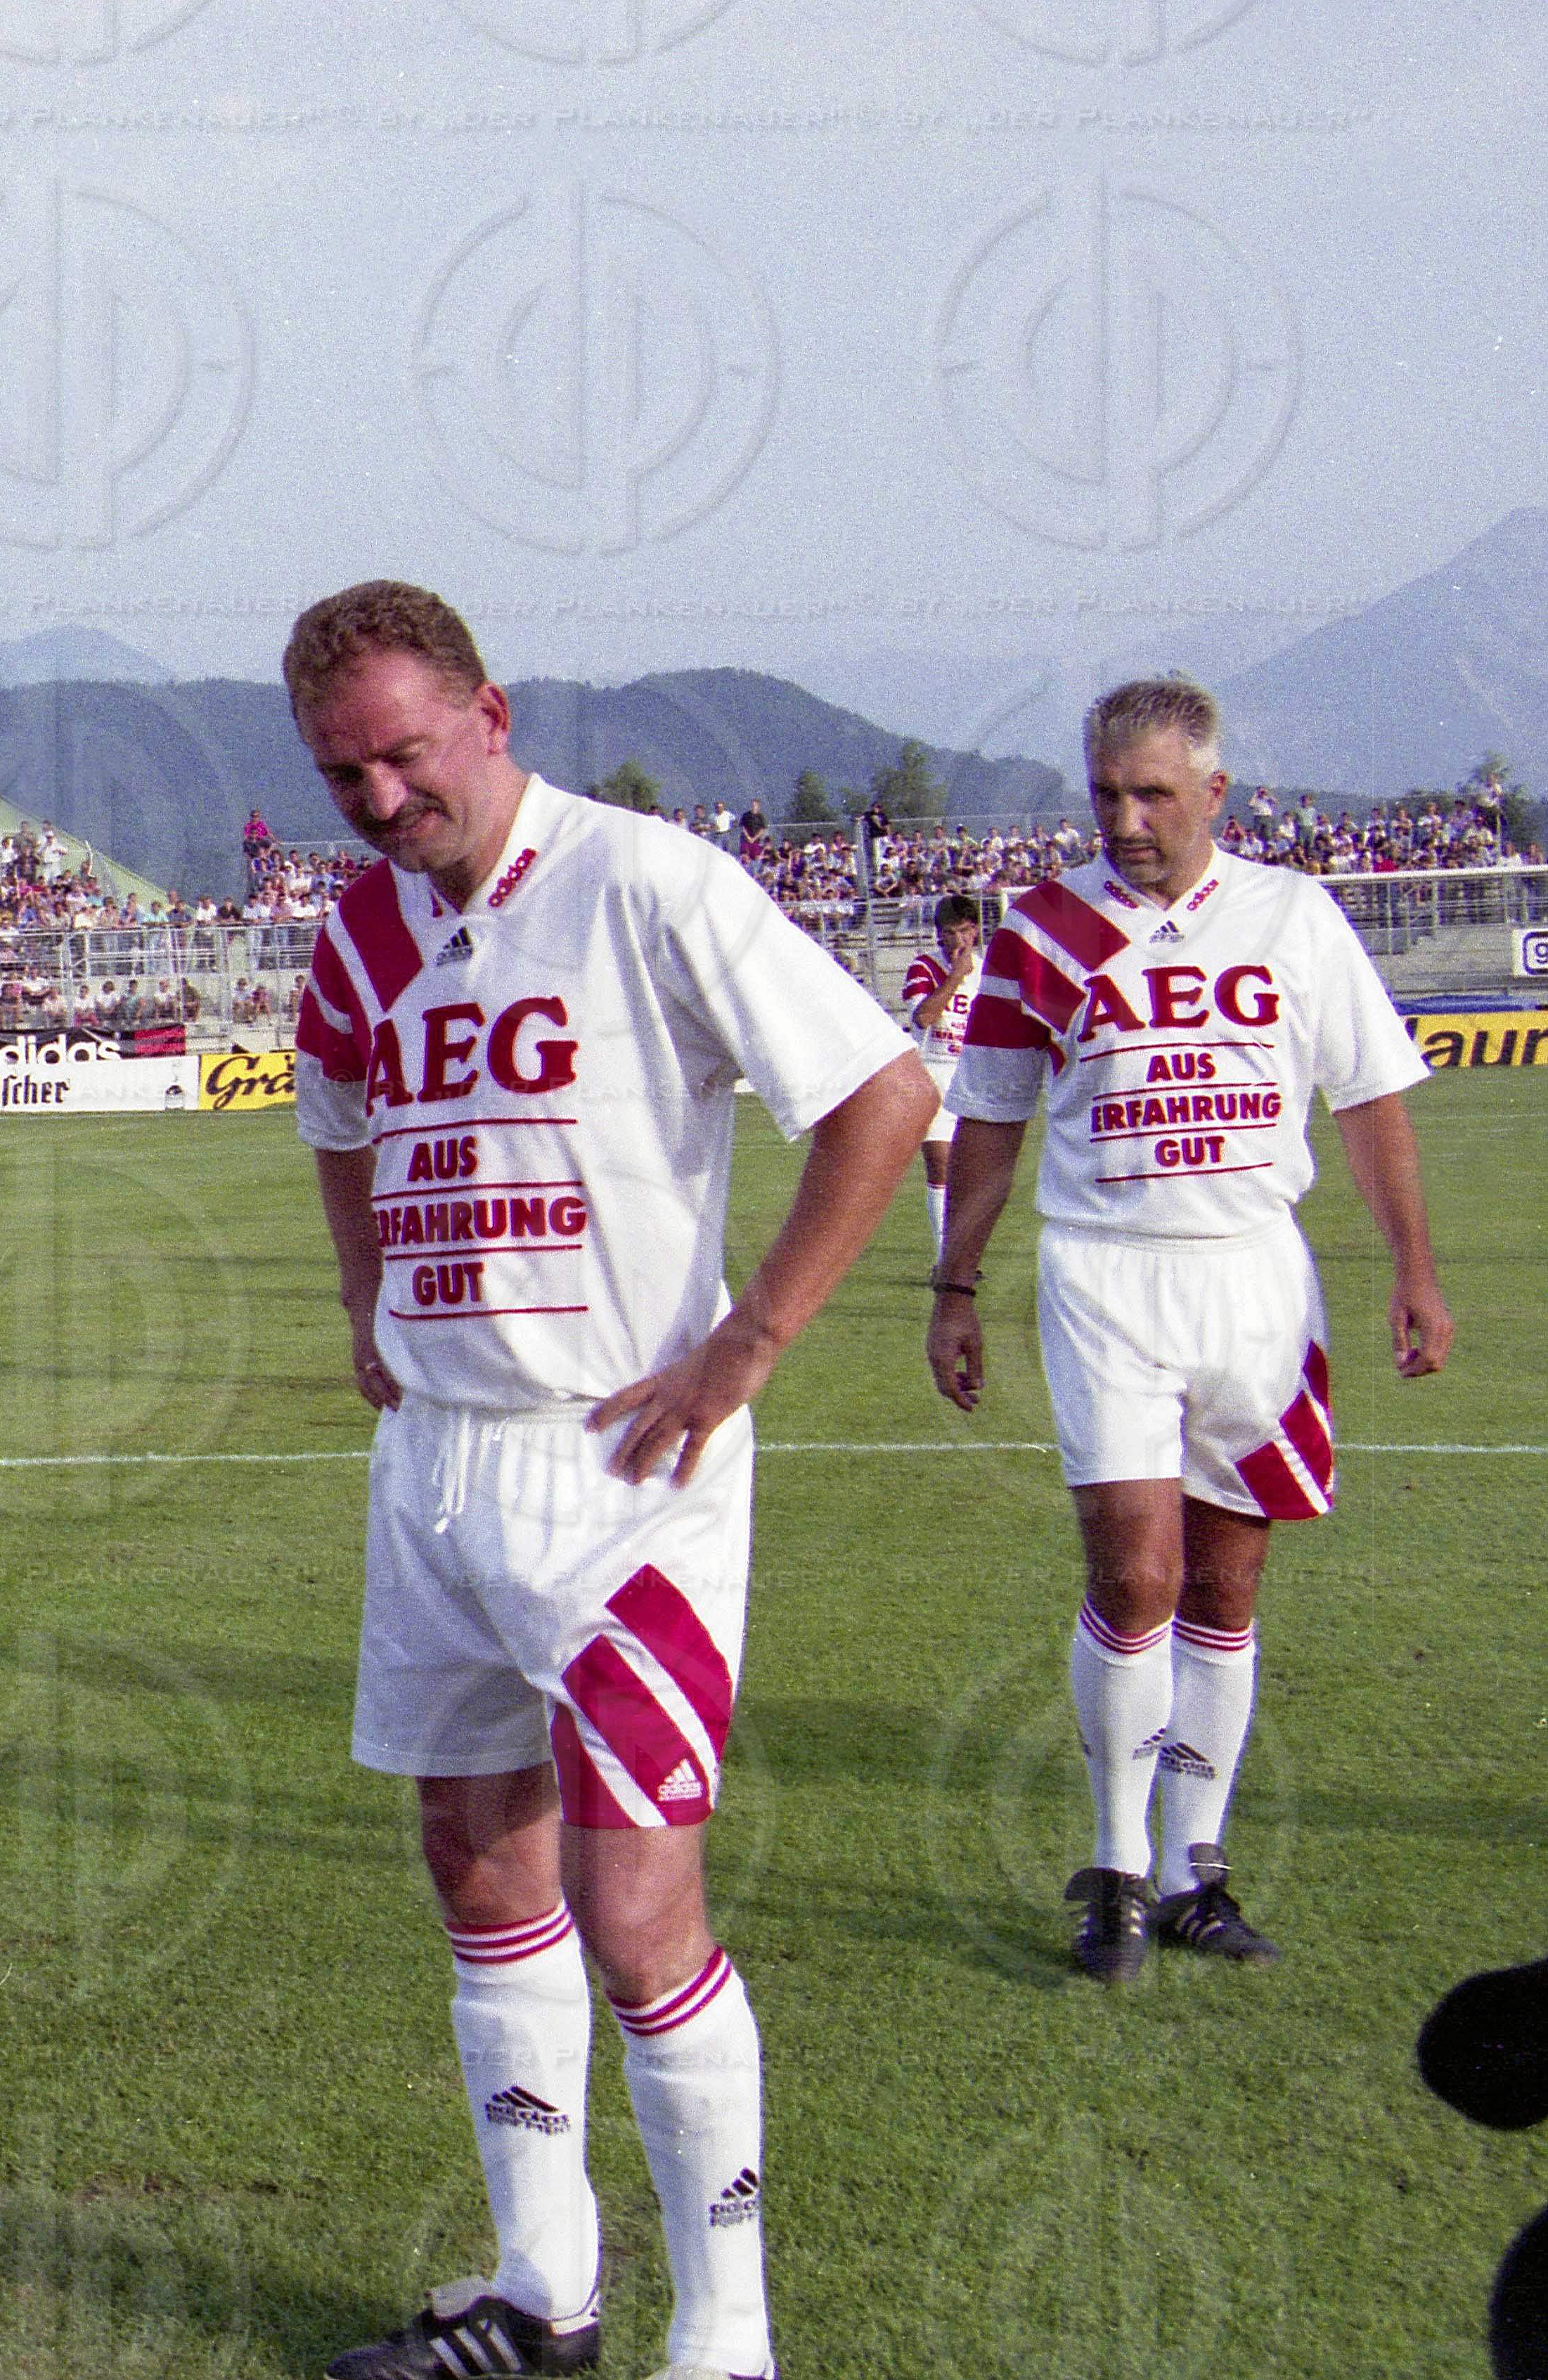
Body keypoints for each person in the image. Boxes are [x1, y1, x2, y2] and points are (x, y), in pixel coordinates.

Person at [285, 584, 932, 2380]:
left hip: (621, 1464)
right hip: (435, 1461)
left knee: (638, 1912)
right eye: (341, 772)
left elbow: (882, 1093)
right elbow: (334, 1114)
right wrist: (361, 1289)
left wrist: (749, 1339)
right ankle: (538, 2291)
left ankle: (725, 2340)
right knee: (475, 1864)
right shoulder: (359, 929)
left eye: (403, 753)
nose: (379, 796)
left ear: (488, 714)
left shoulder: (641, 881)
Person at [928, 677, 1447, 1981]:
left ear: (1213, 793)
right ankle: (1111, 1866)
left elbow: (1368, 1099)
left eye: (1152, 793)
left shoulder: (1292, 915)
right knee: (1133, 1578)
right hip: (1104, 1278)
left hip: (1253, 1279)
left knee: (1222, 1587)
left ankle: (1189, 1872)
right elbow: (988, 1116)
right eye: (1104, 793)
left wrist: (1412, 1268)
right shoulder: (1041, 930)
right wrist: (954, 1287)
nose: (1124, 819)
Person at [900, 892, 986, 1253]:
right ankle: (944, 1257)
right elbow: (924, 1017)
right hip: (934, 1074)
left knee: (973, 1175)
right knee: (940, 1167)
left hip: (973, 1076)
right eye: (949, 933)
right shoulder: (925, 967)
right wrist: (955, 977)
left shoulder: (989, 970)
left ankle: (965, 1255)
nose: (957, 940)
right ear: (939, 934)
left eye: (964, 931)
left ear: (975, 931)